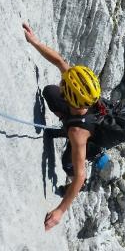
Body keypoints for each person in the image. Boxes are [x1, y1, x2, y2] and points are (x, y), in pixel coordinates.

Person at [23, 22, 102, 231]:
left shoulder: (77, 135)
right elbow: (59, 60)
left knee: (70, 164)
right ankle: (62, 126)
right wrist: (35, 42)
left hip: (84, 137)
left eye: (63, 87)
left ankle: (75, 186)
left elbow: (80, 175)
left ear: (71, 98)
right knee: (49, 92)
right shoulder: (79, 92)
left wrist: (59, 211)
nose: (61, 83)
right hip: (75, 118)